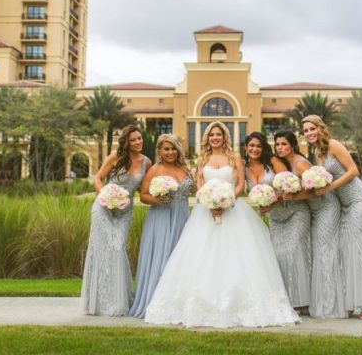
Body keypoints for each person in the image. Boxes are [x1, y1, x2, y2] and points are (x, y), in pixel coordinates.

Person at [145, 121, 298, 328]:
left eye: (218, 134)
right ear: (207, 138)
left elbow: (241, 184)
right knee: (201, 257)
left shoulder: (234, 157)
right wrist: (209, 201)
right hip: (205, 212)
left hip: (232, 210)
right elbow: (199, 183)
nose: (215, 137)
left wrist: (226, 200)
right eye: (211, 135)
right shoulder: (203, 159)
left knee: (238, 257)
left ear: (224, 136)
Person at [302, 114, 362, 319]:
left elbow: (353, 171)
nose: (309, 133)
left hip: (360, 200)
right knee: (346, 250)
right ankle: (353, 301)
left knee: (360, 250)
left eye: (312, 129)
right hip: (345, 205)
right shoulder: (317, 152)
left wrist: (329, 187)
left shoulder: (334, 145)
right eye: (305, 131)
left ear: (320, 128)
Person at [80, 125, 152, 316]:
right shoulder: (115, 157)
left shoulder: (147, 163)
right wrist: (105, 195)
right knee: (103, 250)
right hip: (103, 208)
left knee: (118, 248)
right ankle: (98, 302)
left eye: (140, 138)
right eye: (134, 139)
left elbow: (143, 190)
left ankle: (119, 301)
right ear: (127, 142)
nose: (138, 142)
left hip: (124, 212)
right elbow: (98, 178)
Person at [275, 130, 347, 319]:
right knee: (318, 253)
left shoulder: (300, 164)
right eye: (277, 144)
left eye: (283, 144)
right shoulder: (288, 164)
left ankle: (330, 305)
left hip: (325, 208)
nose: (279, 147)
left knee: (325, 253)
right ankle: (318, 300)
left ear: (292, 146)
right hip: (314, 211)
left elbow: (318, 191)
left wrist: (294, 196)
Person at [128, 134, 193, 318]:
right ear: (159, 151)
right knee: (163, 257)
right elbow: (143, 195)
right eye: (166, 149)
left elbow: (194, 189)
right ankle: (158, 303)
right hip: (162, 218)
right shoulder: (155, 170)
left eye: (173, 148)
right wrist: (157, 199)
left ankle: (179, 303)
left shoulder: (184, 168)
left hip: (182, 218)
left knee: (181, 259)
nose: (171, 152)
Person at [245, 131, 311, 312]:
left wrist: (274, 199)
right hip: (275, 219)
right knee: (278, 257)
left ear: (263, 147)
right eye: (251, 146)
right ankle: (288, 301)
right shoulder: (244, 169)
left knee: (294, 252)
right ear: (246, 148)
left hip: (294, 212)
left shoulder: (273, 162)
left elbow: (290, 184)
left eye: (258, 146)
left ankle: (303, 301)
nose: (255, 149)